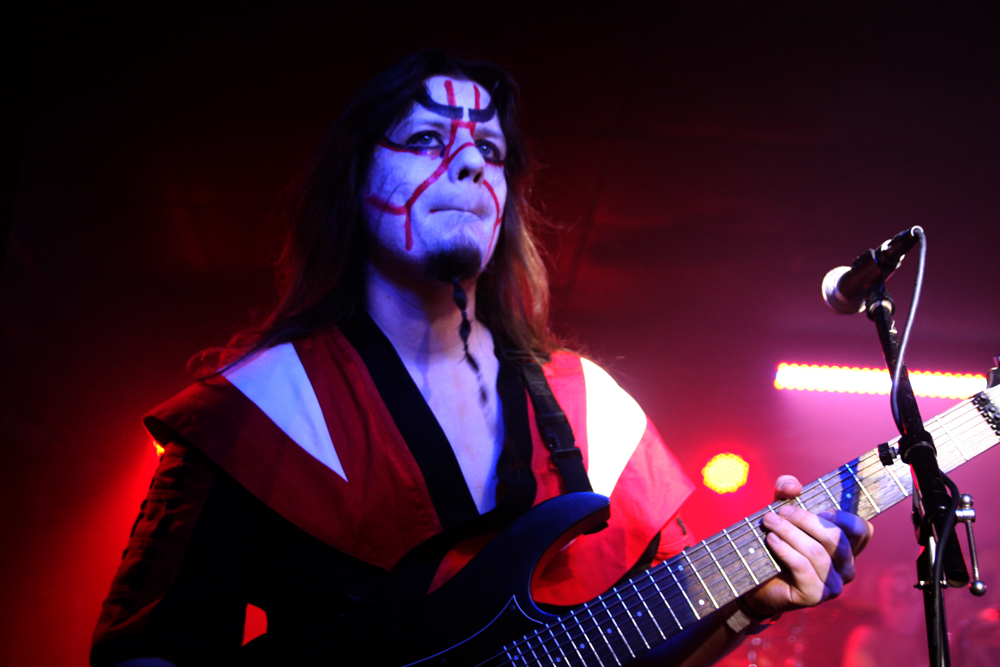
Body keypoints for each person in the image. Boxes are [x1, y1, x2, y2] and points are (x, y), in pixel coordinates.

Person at [90, 50, 872, 667]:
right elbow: (147, 651)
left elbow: (647, 650)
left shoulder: (595, 410)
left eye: (489, 151)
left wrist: (747, 605)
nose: (468, 164)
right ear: (356, 179)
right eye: (427, 139)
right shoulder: (257, 412)